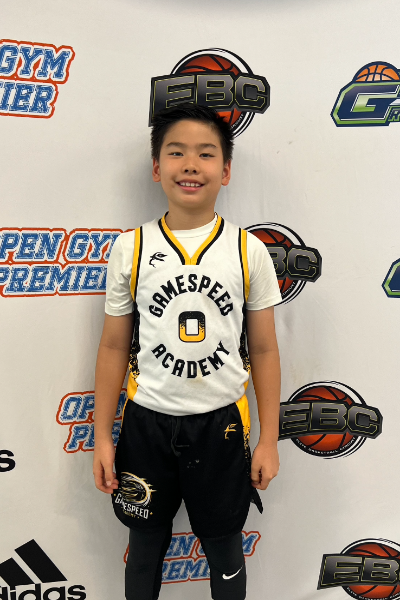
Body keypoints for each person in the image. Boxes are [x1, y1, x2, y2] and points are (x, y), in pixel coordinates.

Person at [93, 103, 282, 600]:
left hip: (221, 426)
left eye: (206, 153)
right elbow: (113, 345)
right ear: (157, 168)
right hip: (146, 425)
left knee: (224, 548)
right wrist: (102, 436)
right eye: (176, 152)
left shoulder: (247, 250)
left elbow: (264, 350)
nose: (191, 165)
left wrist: (268, 440)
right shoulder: (131, 248)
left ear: (226, 170)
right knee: (144, 547)